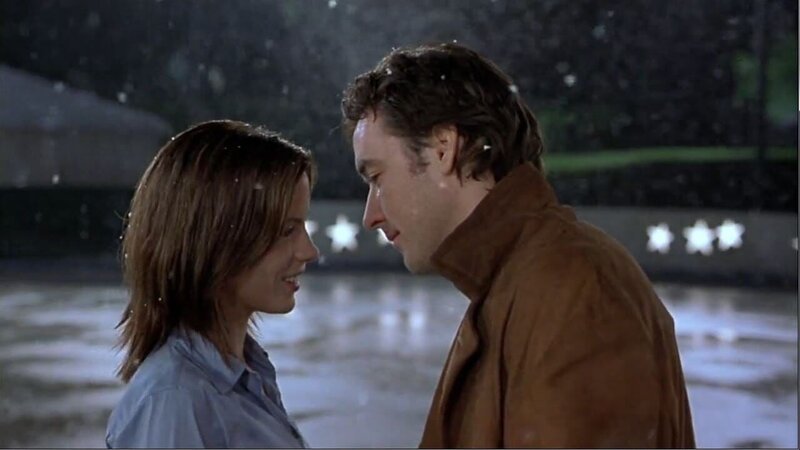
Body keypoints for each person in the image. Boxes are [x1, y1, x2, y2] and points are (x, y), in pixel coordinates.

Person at [341, 43, 695, 448]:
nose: (371, 215)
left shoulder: (570, 288)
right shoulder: (518, 281)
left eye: (377, 178)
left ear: (443, 148)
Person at [105, 120, 319, 448]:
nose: (309, 251)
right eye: (286, 230)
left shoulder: (242, 376)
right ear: (216, 240)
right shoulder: (176, 402)